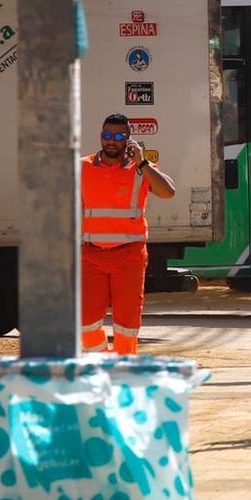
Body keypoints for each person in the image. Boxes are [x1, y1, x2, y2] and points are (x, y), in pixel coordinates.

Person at [81, 113, 176, 355]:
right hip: (91, 255)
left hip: (129, 256)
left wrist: (142, 164)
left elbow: (168, 192)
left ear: (129, 140)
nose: (111, 141)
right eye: (107, 135)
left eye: (118, 136)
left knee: (126, 326)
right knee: (86, 324)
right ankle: (104, 363)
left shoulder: (140, 170)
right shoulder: (82, 167)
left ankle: (123, 373)